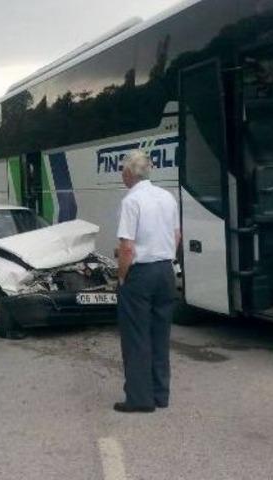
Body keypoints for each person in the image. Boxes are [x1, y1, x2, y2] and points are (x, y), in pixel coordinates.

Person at [113, 150, 180, 413]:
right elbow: (176, 235)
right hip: (166, 271)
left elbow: (127, 247)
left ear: (129, 173)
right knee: (160, 335)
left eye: (123, 170)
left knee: (136, 337)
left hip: (141, 274)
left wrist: (122, 276)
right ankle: (160, 393)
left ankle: (140, 398)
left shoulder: (131, 201)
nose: (122, 175)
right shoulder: (167, 197)